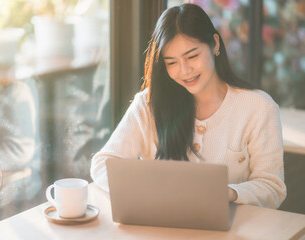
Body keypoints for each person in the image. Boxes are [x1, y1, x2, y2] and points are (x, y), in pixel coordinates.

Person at [90, 3, 286, 209]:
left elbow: (272, 188)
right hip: (160, 227)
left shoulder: (258, 108)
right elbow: (104, 163)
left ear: (215, 44)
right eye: (171, 63)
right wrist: (146, 190)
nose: (185, 71)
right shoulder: (149, 104)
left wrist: (226, 192)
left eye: (192, 56)